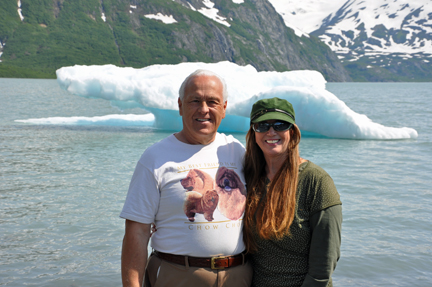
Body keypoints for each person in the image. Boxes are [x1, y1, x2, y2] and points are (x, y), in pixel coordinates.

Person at [120, 69, 252, 287]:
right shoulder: (155, 158)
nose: (204, 109)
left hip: (238, 276)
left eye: (212, 102)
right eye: (195, 101)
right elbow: (137, 231)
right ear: (180, 106)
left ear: (225, 108)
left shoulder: (237, 151)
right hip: (177, 276)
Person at [243, 97, 342, 287]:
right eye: (262, 126)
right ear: (253, 132)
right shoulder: (248, 177)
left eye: (280, 125)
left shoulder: (317, 182)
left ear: (293, 131)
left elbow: (323, 267)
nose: (271, 132)